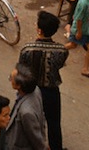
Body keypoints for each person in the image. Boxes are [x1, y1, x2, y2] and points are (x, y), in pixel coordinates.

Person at [19, 11, 68, 150]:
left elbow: (22, 70)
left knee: (29, 122)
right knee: (54, 123)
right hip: (52, 91)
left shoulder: (27, 49)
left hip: (31, 91)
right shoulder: (62, 50)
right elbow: (58, 66)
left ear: (39, 30)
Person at [4, 63, 48, 149]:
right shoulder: (36, 90)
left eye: (11, 78)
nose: (10, 80)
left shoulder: (26, 112)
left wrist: (43, 146)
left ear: (18, 85)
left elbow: (34, 136)